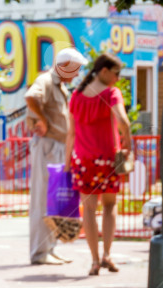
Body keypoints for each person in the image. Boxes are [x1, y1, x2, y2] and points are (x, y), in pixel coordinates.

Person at [67, 53, 132, 276]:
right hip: (107, 160)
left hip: (83, 161)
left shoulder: (76, 95)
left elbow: (71, 133)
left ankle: (94, 261)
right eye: (116, 73)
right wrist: (128, 144)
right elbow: (123, 121)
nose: (118, 78)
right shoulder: (111, 93)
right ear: (104, 71)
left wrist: (67, 163)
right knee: (110, 206)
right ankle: (107, 255)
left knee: (89, 209)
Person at [24, 47, 87, 265]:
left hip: (57, 146)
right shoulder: (47, 80)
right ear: (66, 66)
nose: (77, 74)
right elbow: (31, 97)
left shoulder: (59, 85)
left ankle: (49, 249)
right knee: (43, 200)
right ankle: (40, 252)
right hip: (48, 145)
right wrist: (42, 120)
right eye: (75, 69)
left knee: (54, 202)